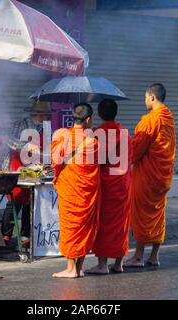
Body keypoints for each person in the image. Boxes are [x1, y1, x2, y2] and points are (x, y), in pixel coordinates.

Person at [124, 83, 176, 268]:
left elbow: (138, 149)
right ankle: (154, 256)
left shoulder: (150, 120)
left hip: (147, 175)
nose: (145, 101)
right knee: (158, 214)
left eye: (145, 97)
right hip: (163, 175)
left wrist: (125, 156)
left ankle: (138, 256)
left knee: (143, 214)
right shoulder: (169, 118)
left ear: (152, 97)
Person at [51, 103, 100, 278]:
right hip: (85, 190)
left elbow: (55, 161)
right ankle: (79, 267)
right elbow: (94, 168)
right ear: (88, 120)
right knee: (84, 226)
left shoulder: (62, 136)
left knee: (70, 225)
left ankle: (70, 268)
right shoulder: (93, 142)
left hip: (70, 187)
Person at [85, 99, 132, 275]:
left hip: (107, 184)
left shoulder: (98, 134)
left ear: (98, 114)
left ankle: (102, 264)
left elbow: (96, 160)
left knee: (104, 224)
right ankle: (119, 263)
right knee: (121, 224)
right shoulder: (125, 133)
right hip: (124, 183)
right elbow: (131, 157)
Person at [0, 101, 52, 246]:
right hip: (17, 166)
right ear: (37, 114)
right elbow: (10, 141)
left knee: (31, 199)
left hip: (35, 167)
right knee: (15, 200)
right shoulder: (21, 124)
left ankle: (25, 235)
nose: (47, 118)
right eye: (45, 115)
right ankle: (6, 234)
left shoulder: (46, 128)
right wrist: (26, 146)